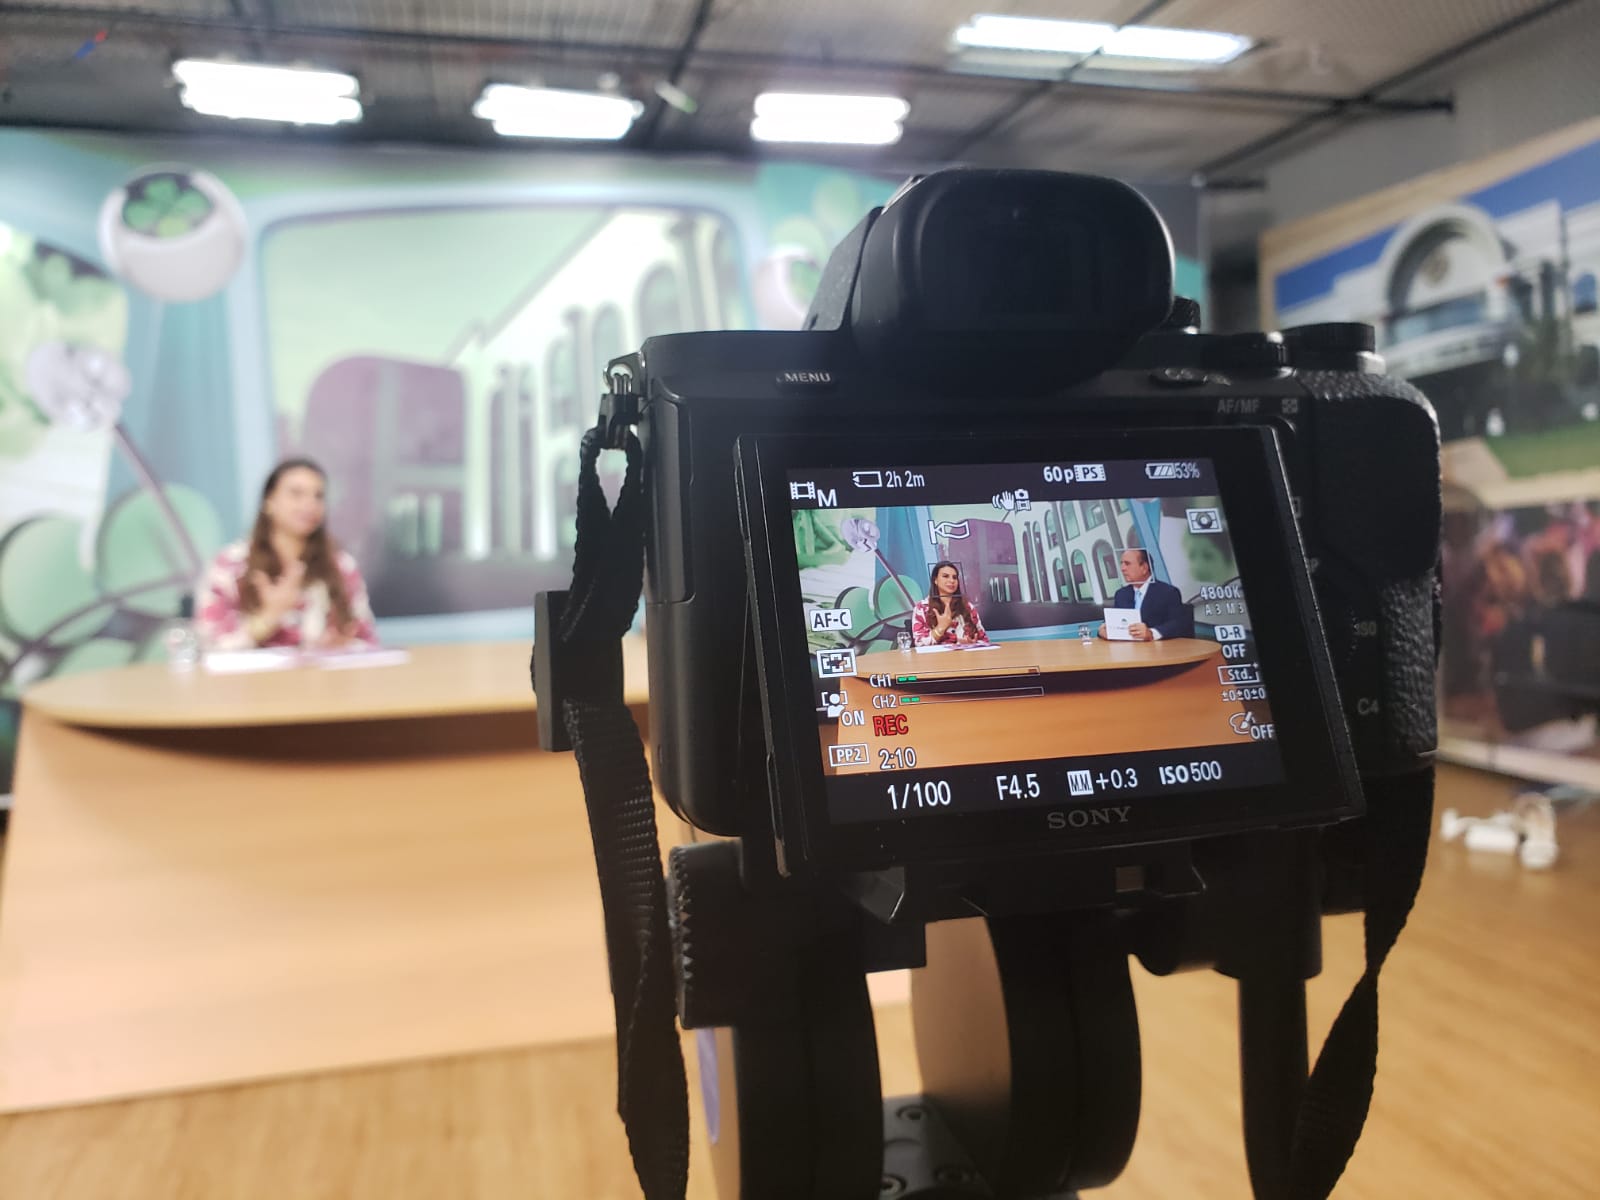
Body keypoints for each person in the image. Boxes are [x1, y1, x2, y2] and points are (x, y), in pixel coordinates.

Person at [196, 457, 378, 651]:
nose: (310, 504)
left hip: (323, 671)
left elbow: (368, 641)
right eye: (296, 494)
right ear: (269, 501)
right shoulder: (231, 565)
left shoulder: (340, 566)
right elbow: (210, 647)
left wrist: (342, 647)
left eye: (318, 496)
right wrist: (269, 616)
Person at [1100, 547, 1193, 641]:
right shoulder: (1121, 594)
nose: (1122, 568)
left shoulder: (1168, 592)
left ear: (1144, 568)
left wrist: (1152, 633)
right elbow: (1112, 620)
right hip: (1127, 648)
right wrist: (1103, 629)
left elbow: (1177, 625)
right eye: (1122, 563)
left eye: (1127, 564)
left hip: (1158, 648)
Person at [912, 561, 990, 646]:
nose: (951, 580)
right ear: (935, 580)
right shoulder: (922, 608)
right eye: (945, 576)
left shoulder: (968, 607)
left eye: (954, 577)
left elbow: (984, 640)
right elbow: (919, 644)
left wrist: (973, 644)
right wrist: (941, 628)